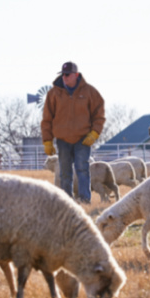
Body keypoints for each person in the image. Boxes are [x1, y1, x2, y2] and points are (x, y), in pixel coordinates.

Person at [41, 61, 105, 203]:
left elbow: (99, 114)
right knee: (64, 173)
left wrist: (94, 133)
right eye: (63, 74)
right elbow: (47, 118)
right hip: (63, 140)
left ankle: (84, 200)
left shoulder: (89, 92)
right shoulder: (53, 94)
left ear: (76, 75)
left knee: (82, 170)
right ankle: (66, 201)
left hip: (83, 139)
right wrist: (47, 140)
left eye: (68, 75)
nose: (65, 77)